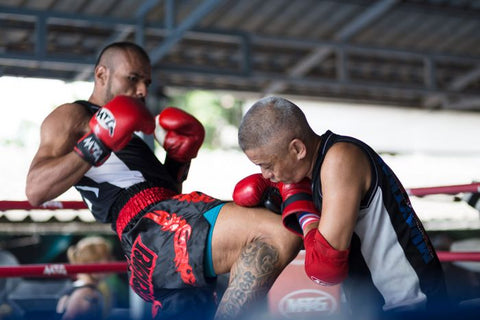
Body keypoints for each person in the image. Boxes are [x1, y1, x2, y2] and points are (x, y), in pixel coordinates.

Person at [25, 42, 301, 320]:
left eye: (146, 81)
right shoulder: (73, 115)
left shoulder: (130, 134)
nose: (143, 90)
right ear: (101, 75)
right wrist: (97, 141)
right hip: (152, 230)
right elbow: (36, 189)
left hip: (161, 239)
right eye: (133, 79)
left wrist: (178, 160)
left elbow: (164, 195)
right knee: (279, 231)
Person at [234, 96, 450, 319]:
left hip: (412, 304)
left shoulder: (340, 159)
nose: (265, 175)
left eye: (266, 165)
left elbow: (325, 269)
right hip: (375, 307)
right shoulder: (314, 172)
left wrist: (302, 210)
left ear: (297, 149)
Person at [56, 236, 113, 320]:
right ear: (93, 262)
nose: (111, 263)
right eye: (107, 258)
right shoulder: (86, 293)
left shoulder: (78, 289)